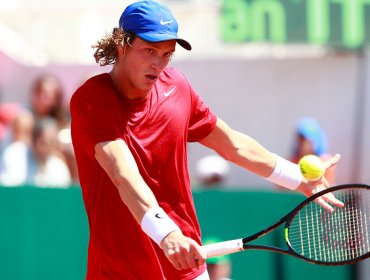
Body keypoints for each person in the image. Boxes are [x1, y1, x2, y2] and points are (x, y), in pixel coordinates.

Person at [69, 1, 342, 279]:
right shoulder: (92, 101)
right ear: (121, 44)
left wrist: (297, 177)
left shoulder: (177, 87)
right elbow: (122, 174)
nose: (158, 64)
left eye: (166, 54)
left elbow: (233, 145)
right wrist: (166, 233)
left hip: (186, 264)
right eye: (149, 50)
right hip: (119, 270)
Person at [290, 117, 336, 185]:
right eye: (300, 139)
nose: (302, 143)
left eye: (305, 139)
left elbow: (325, 187)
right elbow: (281, 188)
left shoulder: (325, 161)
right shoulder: (293, 160)